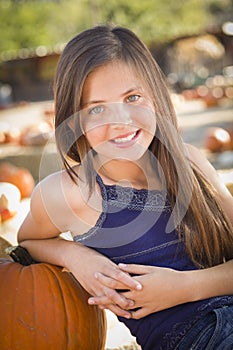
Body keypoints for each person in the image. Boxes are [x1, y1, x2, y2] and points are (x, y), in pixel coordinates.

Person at [17, 24, 233, 349]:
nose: (120, 121)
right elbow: (28, 240)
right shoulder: (72, 191)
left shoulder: (189, 162)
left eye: (132, 97)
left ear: (156, 97)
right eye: (97, 109)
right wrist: (75, 256)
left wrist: (187, 287)